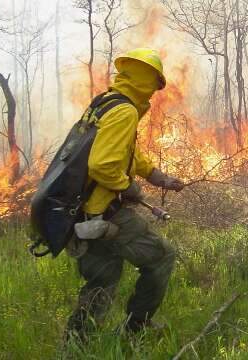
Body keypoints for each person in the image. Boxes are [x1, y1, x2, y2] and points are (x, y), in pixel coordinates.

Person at [65, 48, 185, 341]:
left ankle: (76, 344)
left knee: (102, 279)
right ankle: (136, 329)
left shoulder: (104, 103)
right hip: (108, 211)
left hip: (83, 215)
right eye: (155, 85)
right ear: (147, 80)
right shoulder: (125, 111)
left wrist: (155, 175)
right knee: (161, 257)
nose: (155, 93)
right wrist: (126, 186)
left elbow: (123, 152)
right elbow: (103, 164)